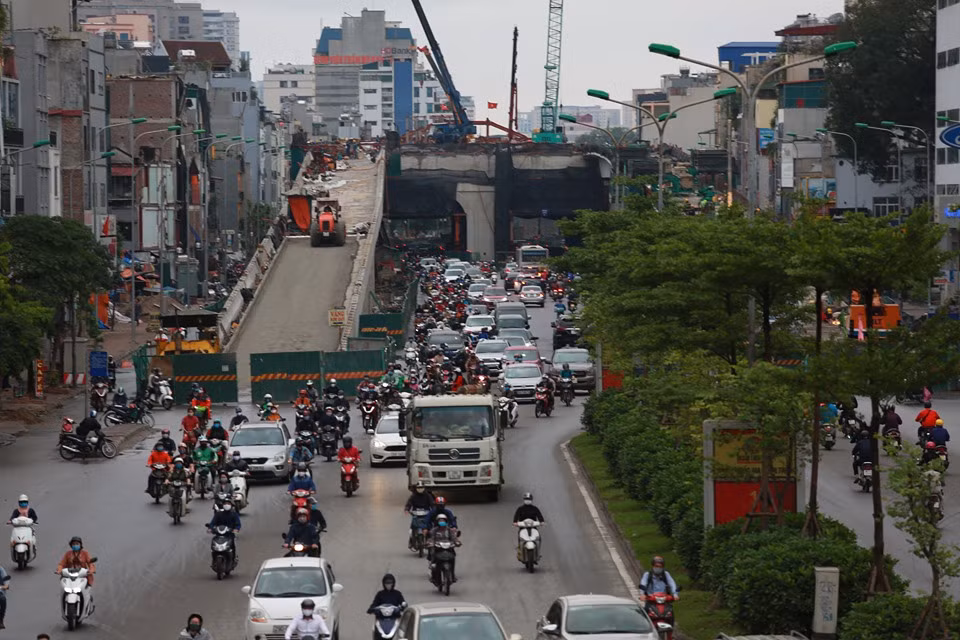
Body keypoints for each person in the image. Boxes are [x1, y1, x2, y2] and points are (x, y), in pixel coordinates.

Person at [428, 513, 460, 583]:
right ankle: (433, 575)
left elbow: (454, 538)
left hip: (448, 547)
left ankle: (453, 575)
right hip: (438, 548)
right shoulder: (434, 530)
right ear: (437, 522)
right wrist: (430, 543)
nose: (442, 522)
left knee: (453, 557)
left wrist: (457, 542)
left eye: (443, 520)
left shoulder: (449, 530)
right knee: (433, 557)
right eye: (440, 521)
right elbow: (431, 538)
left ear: (446, 521)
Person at [0, 563, 8, 629]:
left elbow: (6, 580)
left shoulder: (1, 570)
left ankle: (1, 620)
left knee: (3, 599)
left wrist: (5, 586)